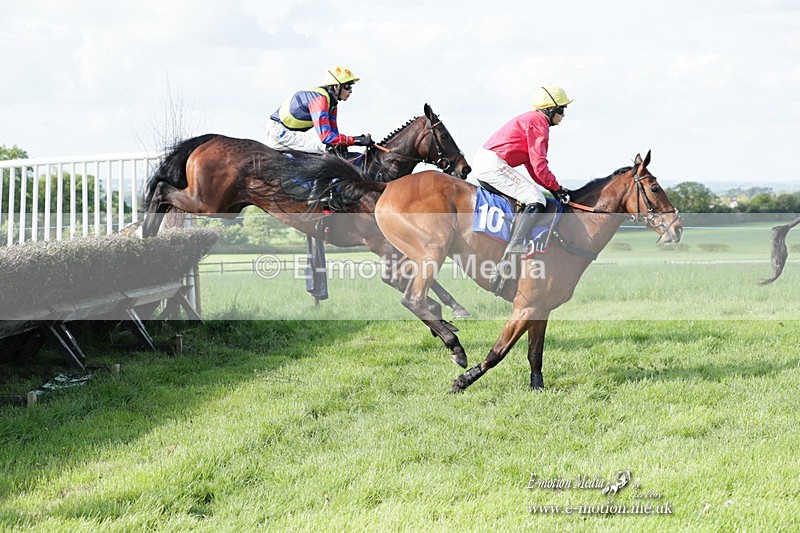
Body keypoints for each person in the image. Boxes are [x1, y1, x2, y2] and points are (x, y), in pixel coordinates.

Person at [472, 85, 573, 274]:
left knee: (530, 195)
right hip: (493, 164)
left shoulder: (532, 120)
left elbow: (533, 168)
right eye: (561, 109)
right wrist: (557, 188)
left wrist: (553, 188)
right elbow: (540, 164)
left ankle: (510, 250)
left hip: (486, 161)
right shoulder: (539, 122)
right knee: (536, 199)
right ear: (550, 109)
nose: (563, 114)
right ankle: (516, 244)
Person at [265, 65, 374, 155]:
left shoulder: (332, 104)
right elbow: (326, 137)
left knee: (338, 149)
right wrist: (356, 140)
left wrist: (352, 142)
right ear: (336, 87)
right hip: (278, 133)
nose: (350, 91)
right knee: (326, 147)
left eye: (351, 87)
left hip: (290, 133)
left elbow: (334, 135)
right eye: (347, 86)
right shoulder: (320, 100)